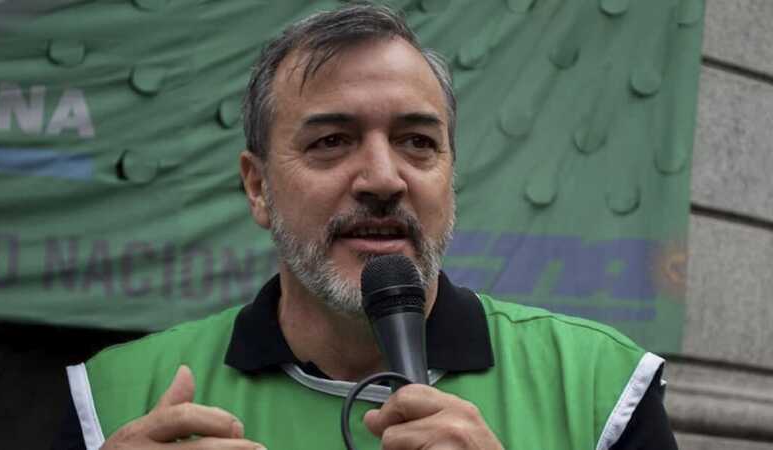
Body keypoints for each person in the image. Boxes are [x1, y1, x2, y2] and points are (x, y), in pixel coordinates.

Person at [53, 3, 678, 449]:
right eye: (331, 141)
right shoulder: (116, 400)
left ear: (450, 176)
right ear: (257, 186)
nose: (383, 178)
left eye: (416, 142)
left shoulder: (599, 391)